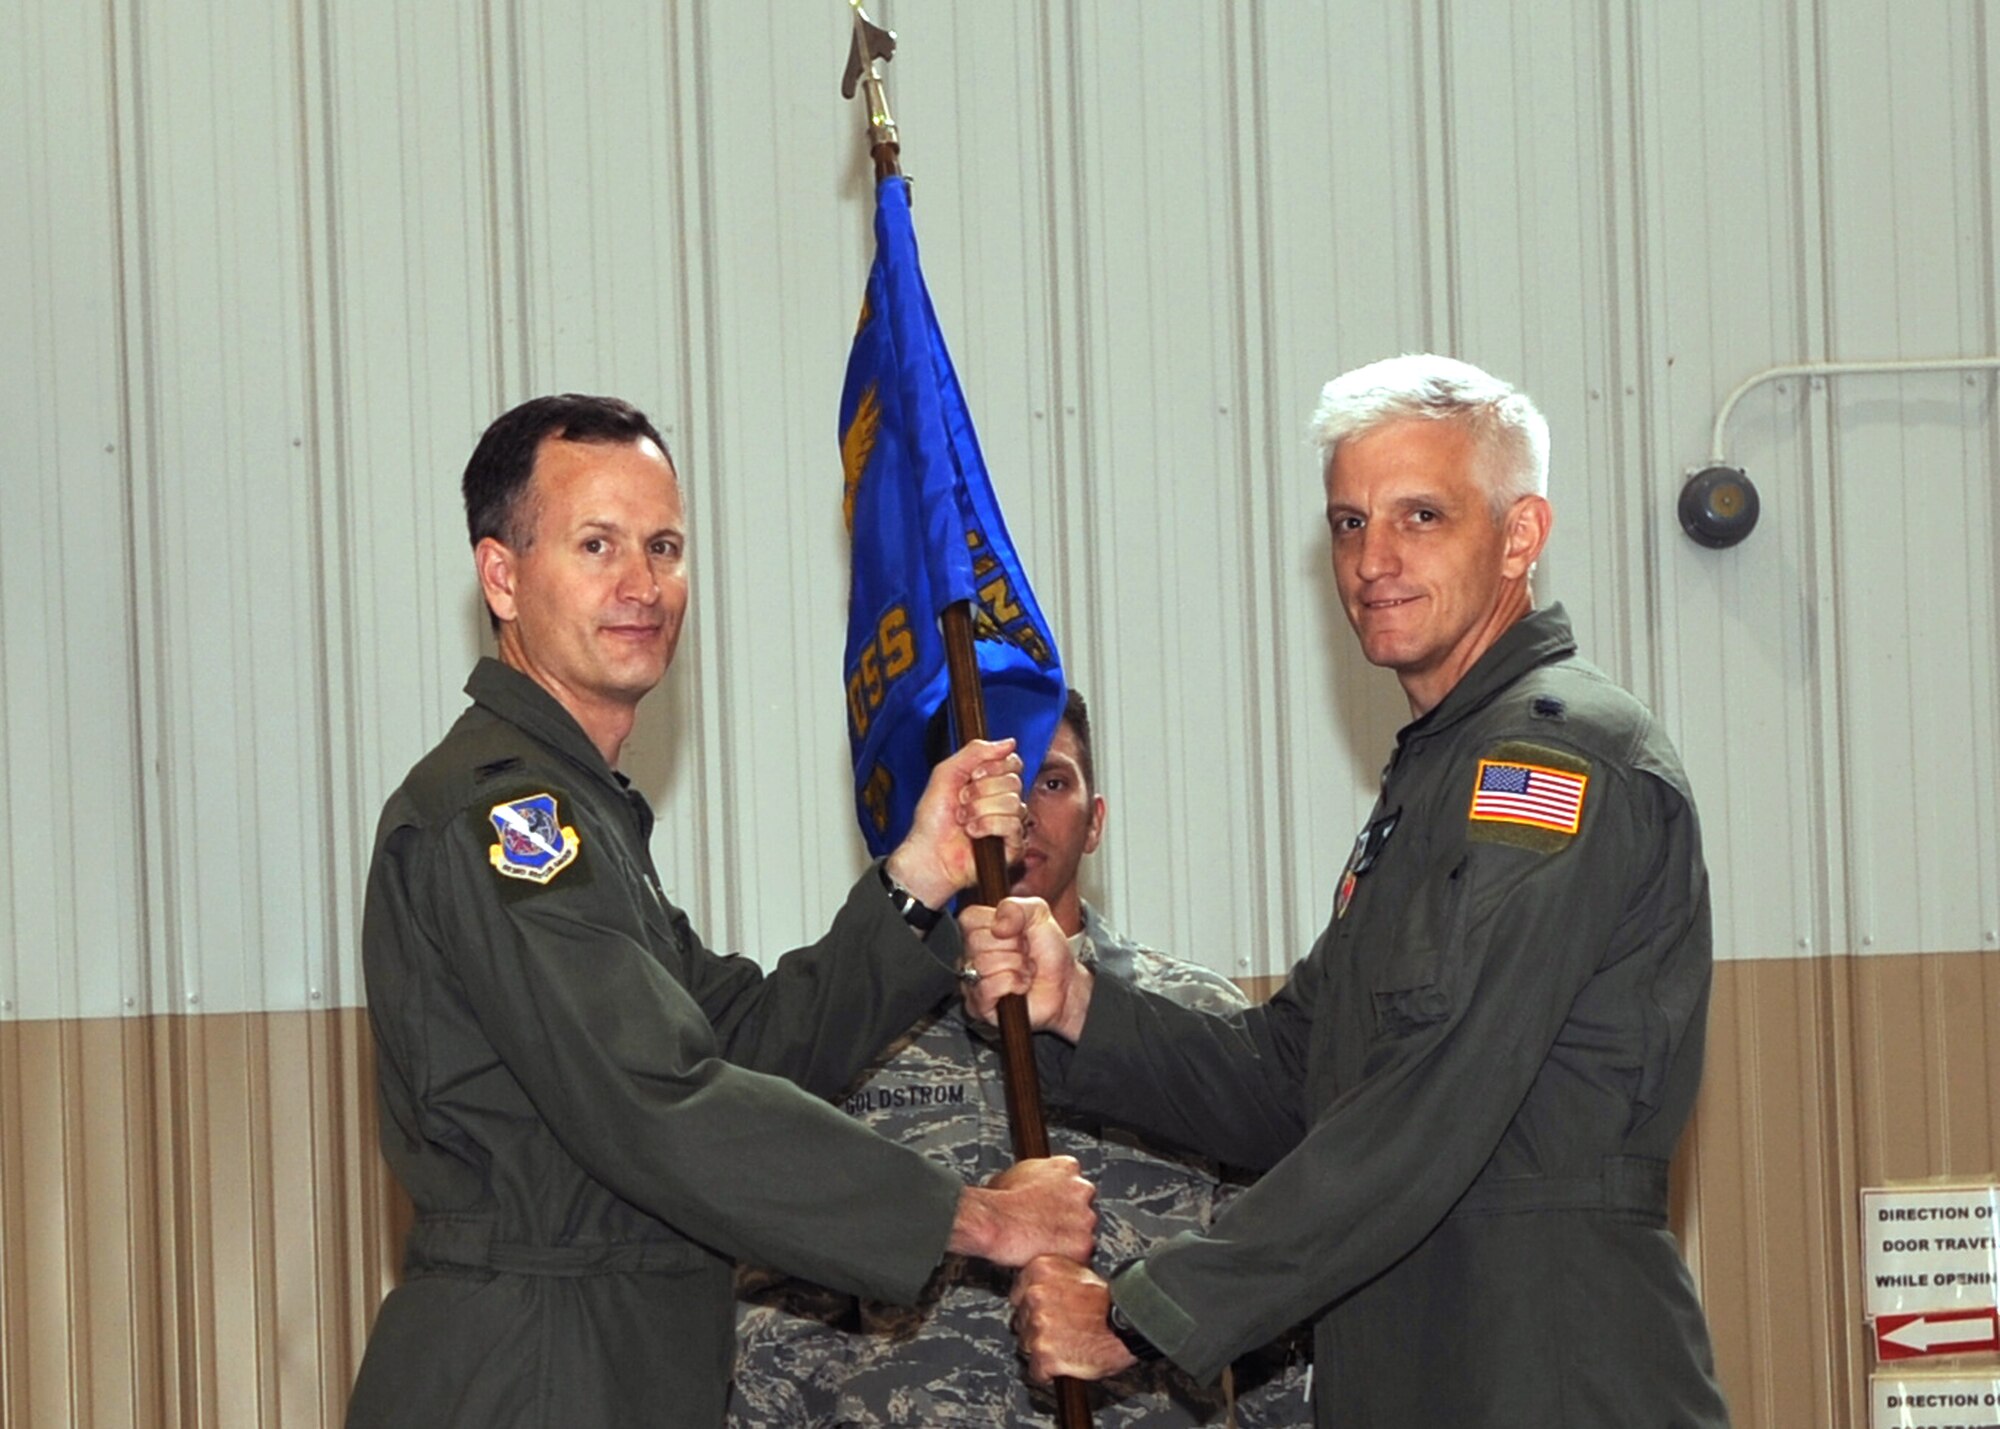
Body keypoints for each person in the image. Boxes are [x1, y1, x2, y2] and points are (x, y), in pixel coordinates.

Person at [968, 356, 1731, 1426]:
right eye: (1348, 522)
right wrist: (1076, 1004)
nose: (1373, 560)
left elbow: (1427, 1102)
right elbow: (1290, 1075)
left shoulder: (1550, 764)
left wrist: (1147, 1314)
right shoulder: (1440, 774)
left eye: (1421, 515)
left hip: (1545, 1373)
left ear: (1519, 535)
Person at [347, 394, 1097, 1429]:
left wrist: (918, 876)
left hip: (603, 1357)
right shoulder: (506, 816)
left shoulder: (582, 809)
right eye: (597, 544)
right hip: (536, 1370)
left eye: (662, 546)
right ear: (502, 577)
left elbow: (744, 1042)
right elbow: (660, 1101)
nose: (641, 584)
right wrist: (972, 1218)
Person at [728, 690, 1311, 1428]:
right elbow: (779, 1300)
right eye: (995, 784)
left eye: (1053, 780)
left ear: (1096, 821)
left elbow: (1267, 1297)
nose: (1023, 811)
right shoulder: (859, 1020)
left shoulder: (1197, 1020)